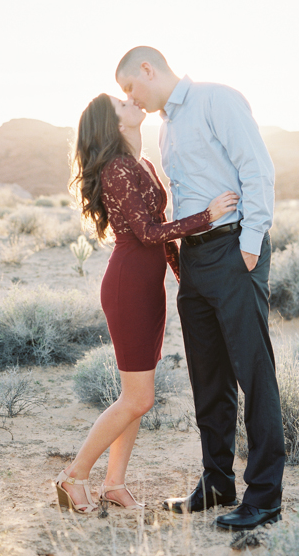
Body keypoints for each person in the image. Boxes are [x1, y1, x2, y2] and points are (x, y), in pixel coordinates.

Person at [115, 46, 285, 531]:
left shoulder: (217, 100)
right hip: (195, 260)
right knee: (208, 378)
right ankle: (216, 483)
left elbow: (257, 169)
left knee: (254, 374)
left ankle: (265, 497)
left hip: (234, 249)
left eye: (131, 87)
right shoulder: (166, 126)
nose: (132, 98)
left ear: (148, 69)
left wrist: (250, 244)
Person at [56, 93, 239, 513]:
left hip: (147, 287)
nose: (132, 101)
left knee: (137, 394)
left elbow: (161, 237)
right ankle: (73, 477)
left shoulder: (142, 164)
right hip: (128, 286)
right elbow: (148, 232)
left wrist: (183, 278)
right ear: (114, 123)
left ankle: (114, 484)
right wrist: (207, 217)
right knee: (137, 398)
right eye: (122, 103)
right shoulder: (117, 168)